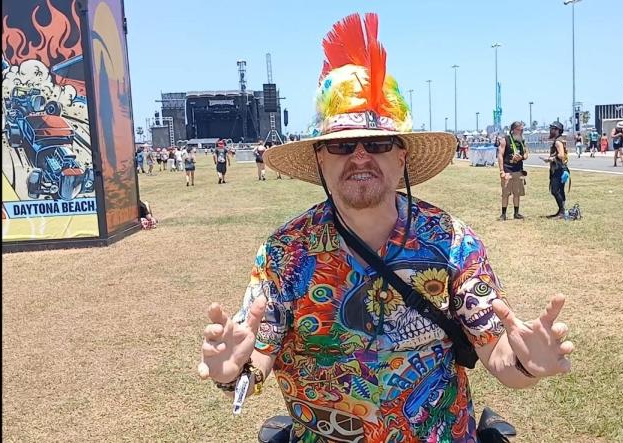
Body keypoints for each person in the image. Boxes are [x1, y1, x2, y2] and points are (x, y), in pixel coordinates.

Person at [197, 13, 574, 443]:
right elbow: (255, 359)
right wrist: (230, 373)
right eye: (341, 145)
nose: (360, 156)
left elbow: (498, 355)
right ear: (322, 159)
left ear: (402, 157)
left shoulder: (451, 243)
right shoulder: (286, 253)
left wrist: (530, 365)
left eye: (376, 143)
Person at [496, 121, 529, 220]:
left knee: (517, 193)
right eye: (520, 129)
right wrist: (502, 170)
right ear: (514, 129)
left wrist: (521, 157)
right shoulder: (505, 140)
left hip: (518, 170)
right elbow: (500, 155)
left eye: (522, 129)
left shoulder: (522, 141)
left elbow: (527, 154)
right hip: (507, 170)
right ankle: (503, 214)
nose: (521, 131)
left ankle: (516, 213)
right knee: (505, 193)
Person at [543, 122, 569, 218]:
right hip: (561, 168)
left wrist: (551, 159)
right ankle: (561, 211)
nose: (551, 131)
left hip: (558, 169)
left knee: (555, 190)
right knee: (560, 190)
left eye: (553, 129)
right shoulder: (560, 140)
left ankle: (562, 211)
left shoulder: (558, 141)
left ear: (557, 130)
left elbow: (561, 155)